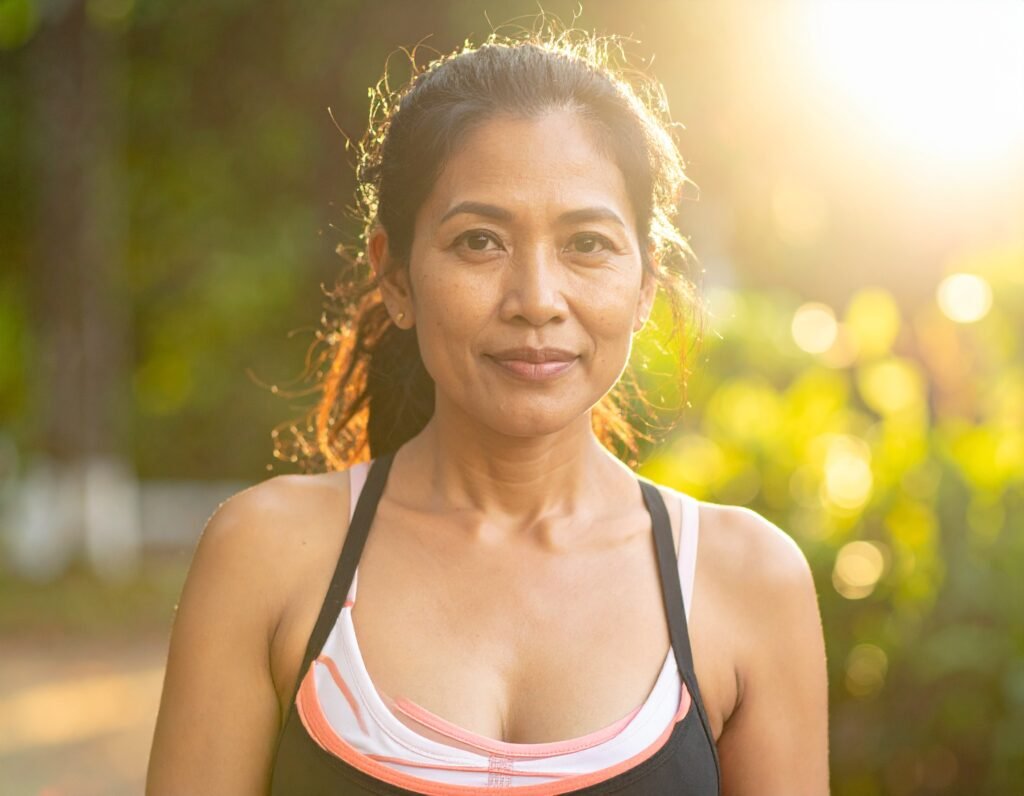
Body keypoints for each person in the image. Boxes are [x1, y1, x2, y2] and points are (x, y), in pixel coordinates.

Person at [147, 27, 829, 796]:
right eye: (479, 241)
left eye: (587, 244)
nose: (536, 299)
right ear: (396, 277)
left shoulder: (747, 581)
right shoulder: (268, 557)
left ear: (644, 284)